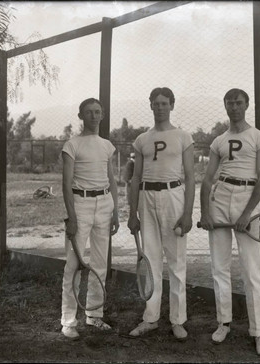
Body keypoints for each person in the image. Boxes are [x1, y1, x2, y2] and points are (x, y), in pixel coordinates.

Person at [199, 88, 260, 356]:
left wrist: (246, 214)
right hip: (221, 197)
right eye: (229, 103)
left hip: (246, 198)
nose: (234, 107)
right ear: (225, 106)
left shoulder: (259, 137)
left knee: (252, 270)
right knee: (219, 266)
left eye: (238, 103)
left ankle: (259, 332)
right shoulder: (219, 140)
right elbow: (207, 179)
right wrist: (205, 213)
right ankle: (224, 322)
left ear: (247, 105)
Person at [127, 87, 195, 341]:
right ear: (151, 106)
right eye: (155, 103)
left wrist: (187, 213)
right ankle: (150, 318)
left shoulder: (183, 136)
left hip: (172, 196)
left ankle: (178, 320)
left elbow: (190, 177)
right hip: (146, 197)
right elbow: (135, 178)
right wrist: (132, 212)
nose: (160, 107)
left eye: (164, 103)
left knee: (176, 262)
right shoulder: (142, 139)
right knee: (151, 259)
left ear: (172, 105)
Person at [60, 98, 119, 339]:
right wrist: (72, 217)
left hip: (104, 204)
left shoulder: (107, 145)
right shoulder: (72, 145)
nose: (94, 116)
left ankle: (94, 315)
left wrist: (115, 210)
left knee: (99, 263)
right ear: (81, 116)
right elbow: (65, 184)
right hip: (80, 204)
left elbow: (112, 180)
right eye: (89, 112)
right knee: (73, 265)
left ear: (102, 115)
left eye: (97, 112)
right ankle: (68, 320)